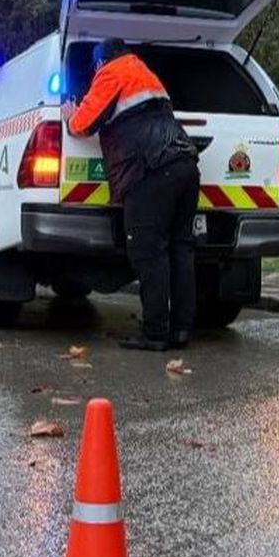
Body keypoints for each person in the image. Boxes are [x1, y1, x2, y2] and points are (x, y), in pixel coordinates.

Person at [63, 38, 201, 351]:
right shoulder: (145, 73)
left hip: (151, 169)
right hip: (184, 165)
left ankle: (154, 333)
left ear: (101, 61)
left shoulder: (111, 72)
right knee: (181, 250)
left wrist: (70, 114)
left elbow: (84, 122)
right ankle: (180, 330)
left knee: (149, 252)